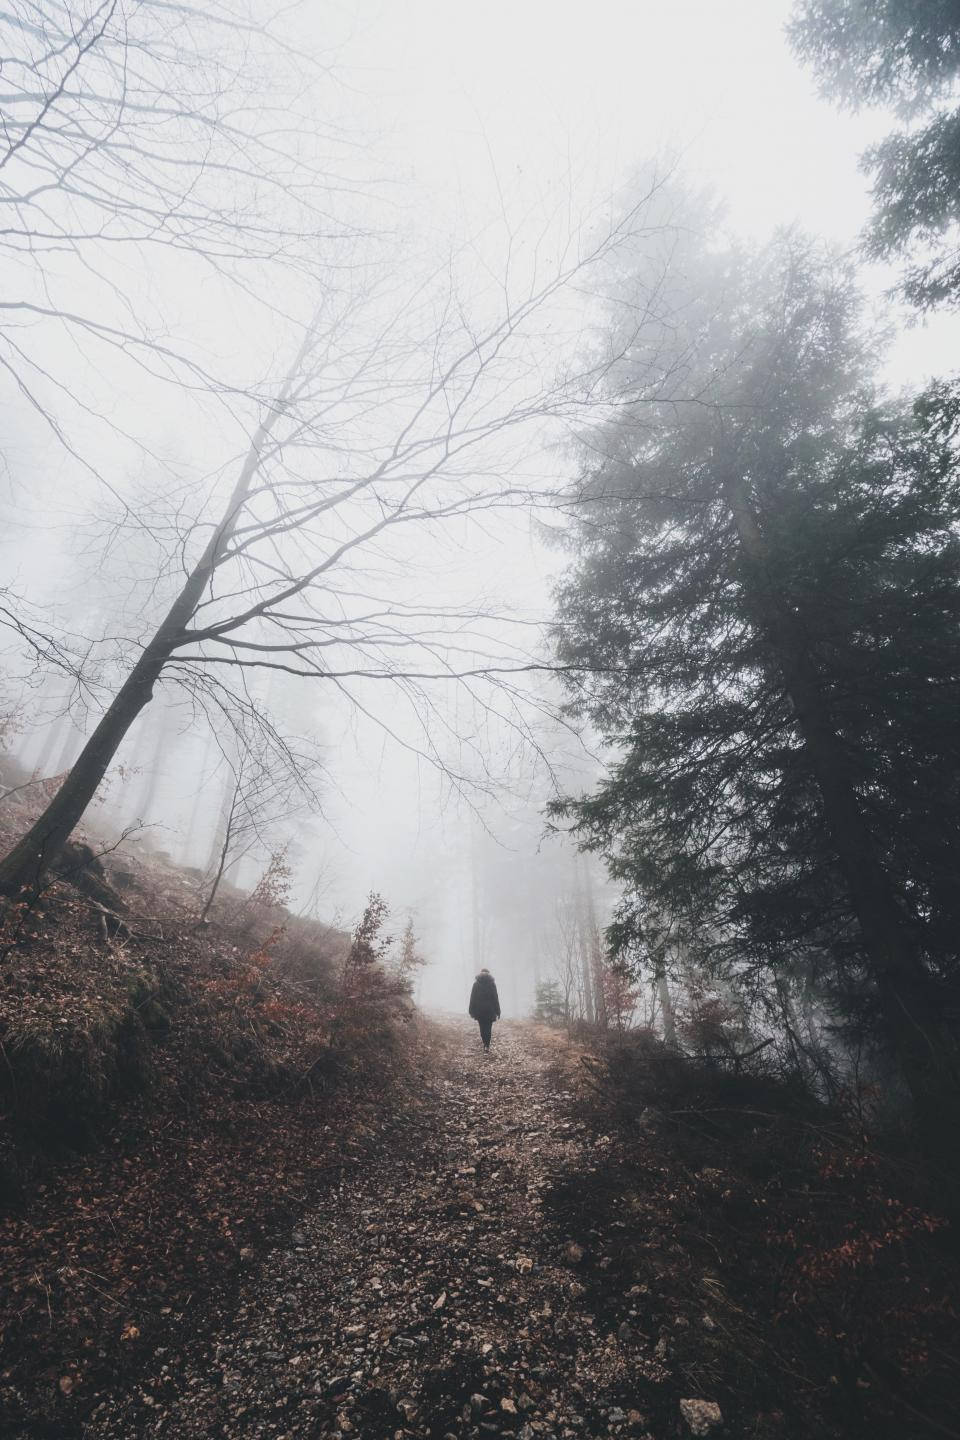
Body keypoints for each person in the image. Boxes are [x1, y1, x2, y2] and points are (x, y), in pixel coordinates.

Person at [468, 968, 501, 1051]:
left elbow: (473, 998)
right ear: (488, 974)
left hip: (479, 1011)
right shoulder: (492, 984)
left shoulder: (476, 984)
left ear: (481, 973)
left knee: (482, 1028)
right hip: (490, 1010)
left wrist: (471, 1010)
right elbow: (495, 998)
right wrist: (498, 1011)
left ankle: (484, 1043)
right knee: (488, 1028)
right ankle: (487, 1045)